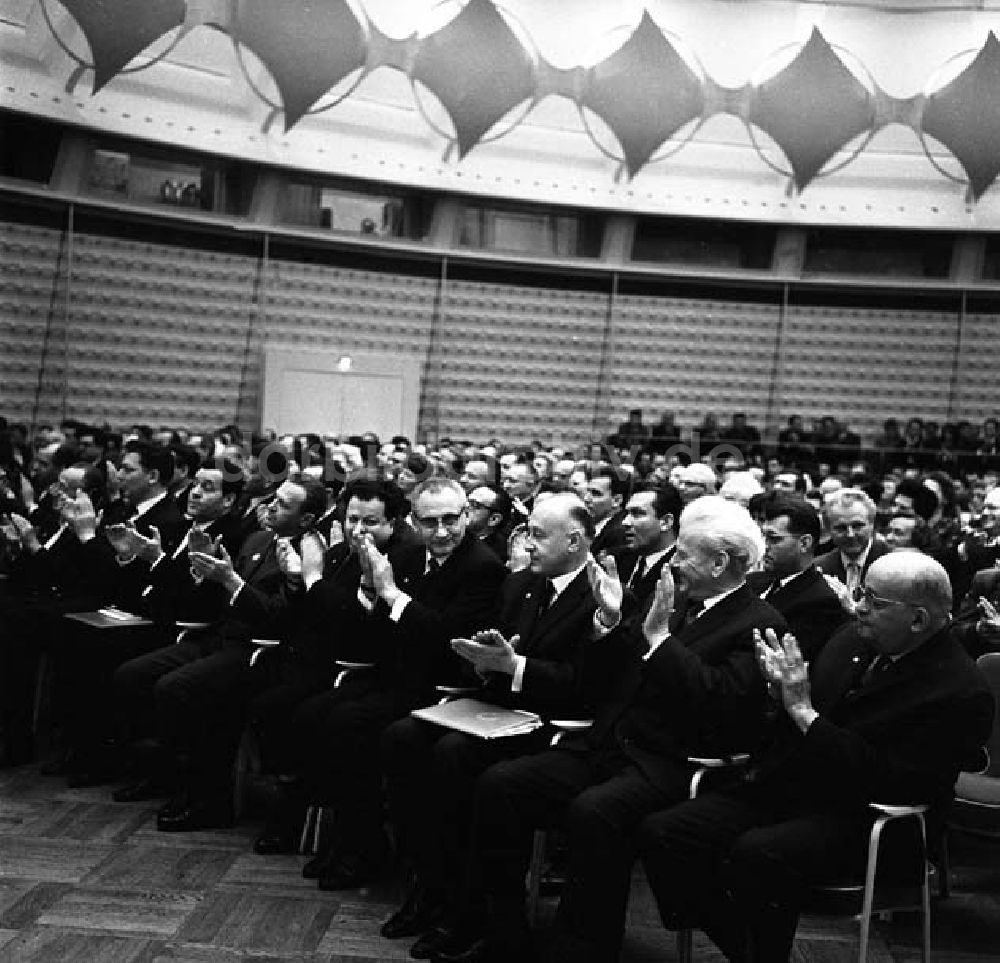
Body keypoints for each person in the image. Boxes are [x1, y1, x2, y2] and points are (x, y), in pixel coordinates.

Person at [430, 496, 786, 963]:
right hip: (609, 743)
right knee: (503, 785)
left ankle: (583, 947)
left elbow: (720, 704)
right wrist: (611, 622)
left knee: (594, 812)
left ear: (720, 562)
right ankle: (504, 928)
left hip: (673, 762)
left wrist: (658, 642)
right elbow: (611, 675)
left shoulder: (759, 623)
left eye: (683, 554)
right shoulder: (677, 601)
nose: (674, 561)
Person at [639, 553, 994, 963]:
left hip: (872, 819)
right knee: (665, 831)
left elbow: (893, 779)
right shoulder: (853, 640)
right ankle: (745, 949)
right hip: (798, 789)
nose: (858, 607)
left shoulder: (959, 690)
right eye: (862, 594)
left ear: (917, 620)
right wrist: (777, 698)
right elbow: (797, 724)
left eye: (875, 603)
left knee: (757, 853)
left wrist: (804, 712)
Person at [380, 492, 598, 956]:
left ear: (575, 541)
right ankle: (431, 883)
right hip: (495, 710)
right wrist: (483, 662)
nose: (527, 543)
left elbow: (584, 684)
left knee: (453, 756)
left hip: (551, 727)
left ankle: (472, 908)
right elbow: (489, 656)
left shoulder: (602, 598)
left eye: (538, 535)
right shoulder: (521, 584)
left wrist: (512, 665)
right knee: (402, 737)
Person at [296, 477, 506, 889]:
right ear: (415, 521)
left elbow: (450, 642)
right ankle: (352, 839)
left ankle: (369, 850)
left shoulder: (482, 567)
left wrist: (392, 596)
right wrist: (369, 591)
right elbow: (376, 635)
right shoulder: (412, 556)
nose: (441, 532)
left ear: (467, 517)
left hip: (444, 689)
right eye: (430, 522)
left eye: (451, 520)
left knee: (352, 724)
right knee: (315, 713)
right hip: (398, 676)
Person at [747, 497, 846, 663]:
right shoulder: (754, 581)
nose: (764, 546)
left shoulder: (821, 602)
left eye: (774, 539)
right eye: (763, 537)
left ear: (804, 543)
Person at [814, 489, 889, 598]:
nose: (850, 534)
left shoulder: (893, 563)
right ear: (828, 529)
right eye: (841, 528)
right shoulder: (819, 570)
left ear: (872, 524)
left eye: (857, 526)